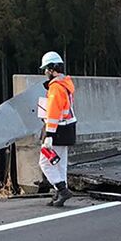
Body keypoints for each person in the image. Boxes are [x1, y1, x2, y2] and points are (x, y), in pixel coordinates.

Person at [37, 50, 77, 207]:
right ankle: (59, 193)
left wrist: (49, 134)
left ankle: (62, 190)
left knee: (45, 162)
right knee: (60, 163)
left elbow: (54, 112)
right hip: (68, 128)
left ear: (52, 69)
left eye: (46, 69)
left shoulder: (55, 87)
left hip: (58, 130)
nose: (45, 73)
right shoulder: (65, 84)